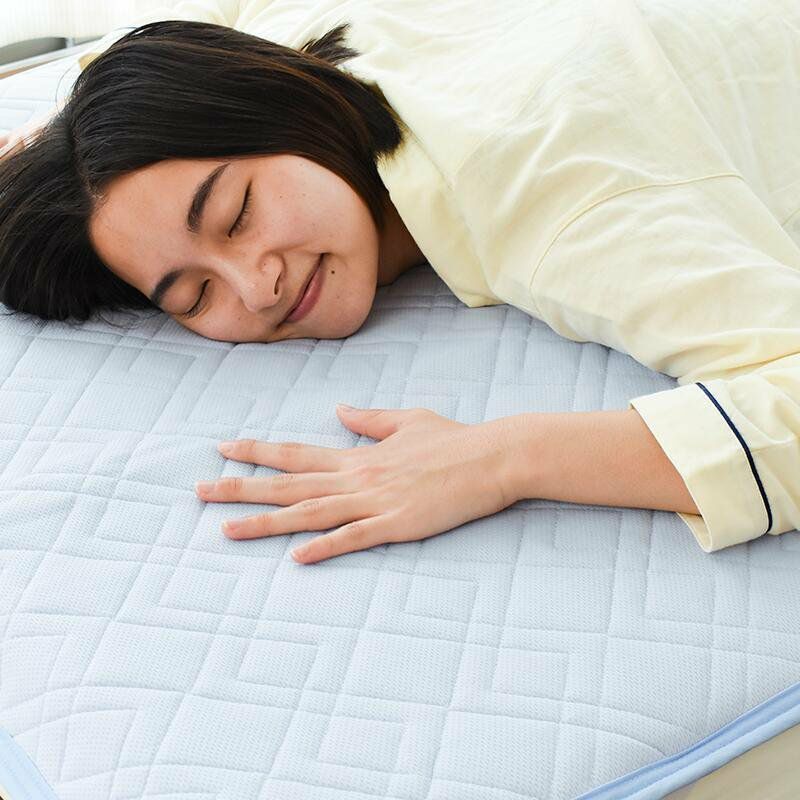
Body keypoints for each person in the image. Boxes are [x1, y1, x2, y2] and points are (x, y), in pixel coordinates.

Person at [1, 0, 799, 564]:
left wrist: (497, 459)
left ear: (285, 109)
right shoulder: (294, 33)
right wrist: (55, 151)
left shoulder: (555, 197)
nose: (255, 288)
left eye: (237, 215)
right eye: (193, 297)